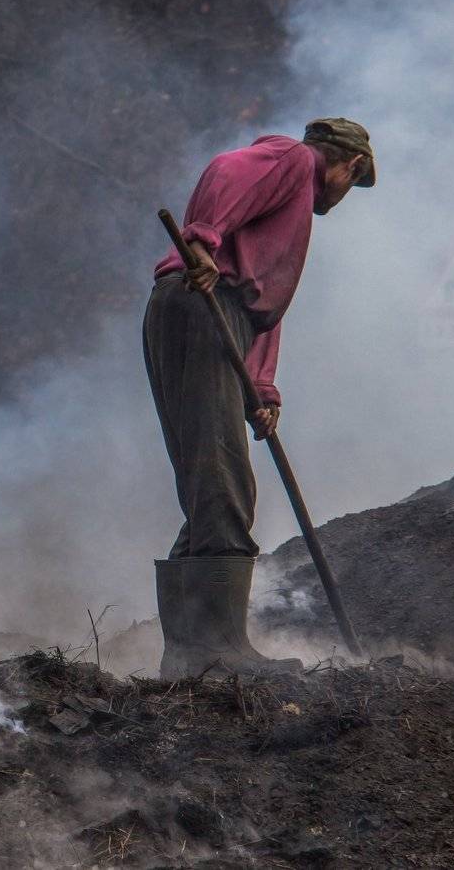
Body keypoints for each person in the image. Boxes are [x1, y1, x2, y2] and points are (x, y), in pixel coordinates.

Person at [144, 118, 375, 677]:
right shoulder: (294, 160)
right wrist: (202, 239)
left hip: (201, 312)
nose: (345, 195)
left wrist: (261, 391)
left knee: (207, 480)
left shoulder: (289, 210)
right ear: (350, 165)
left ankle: (188, 654)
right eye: (355, 182)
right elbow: (227, 171)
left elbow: (259, 310)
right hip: (203, 307)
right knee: (223, 478)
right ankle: (216, 651)